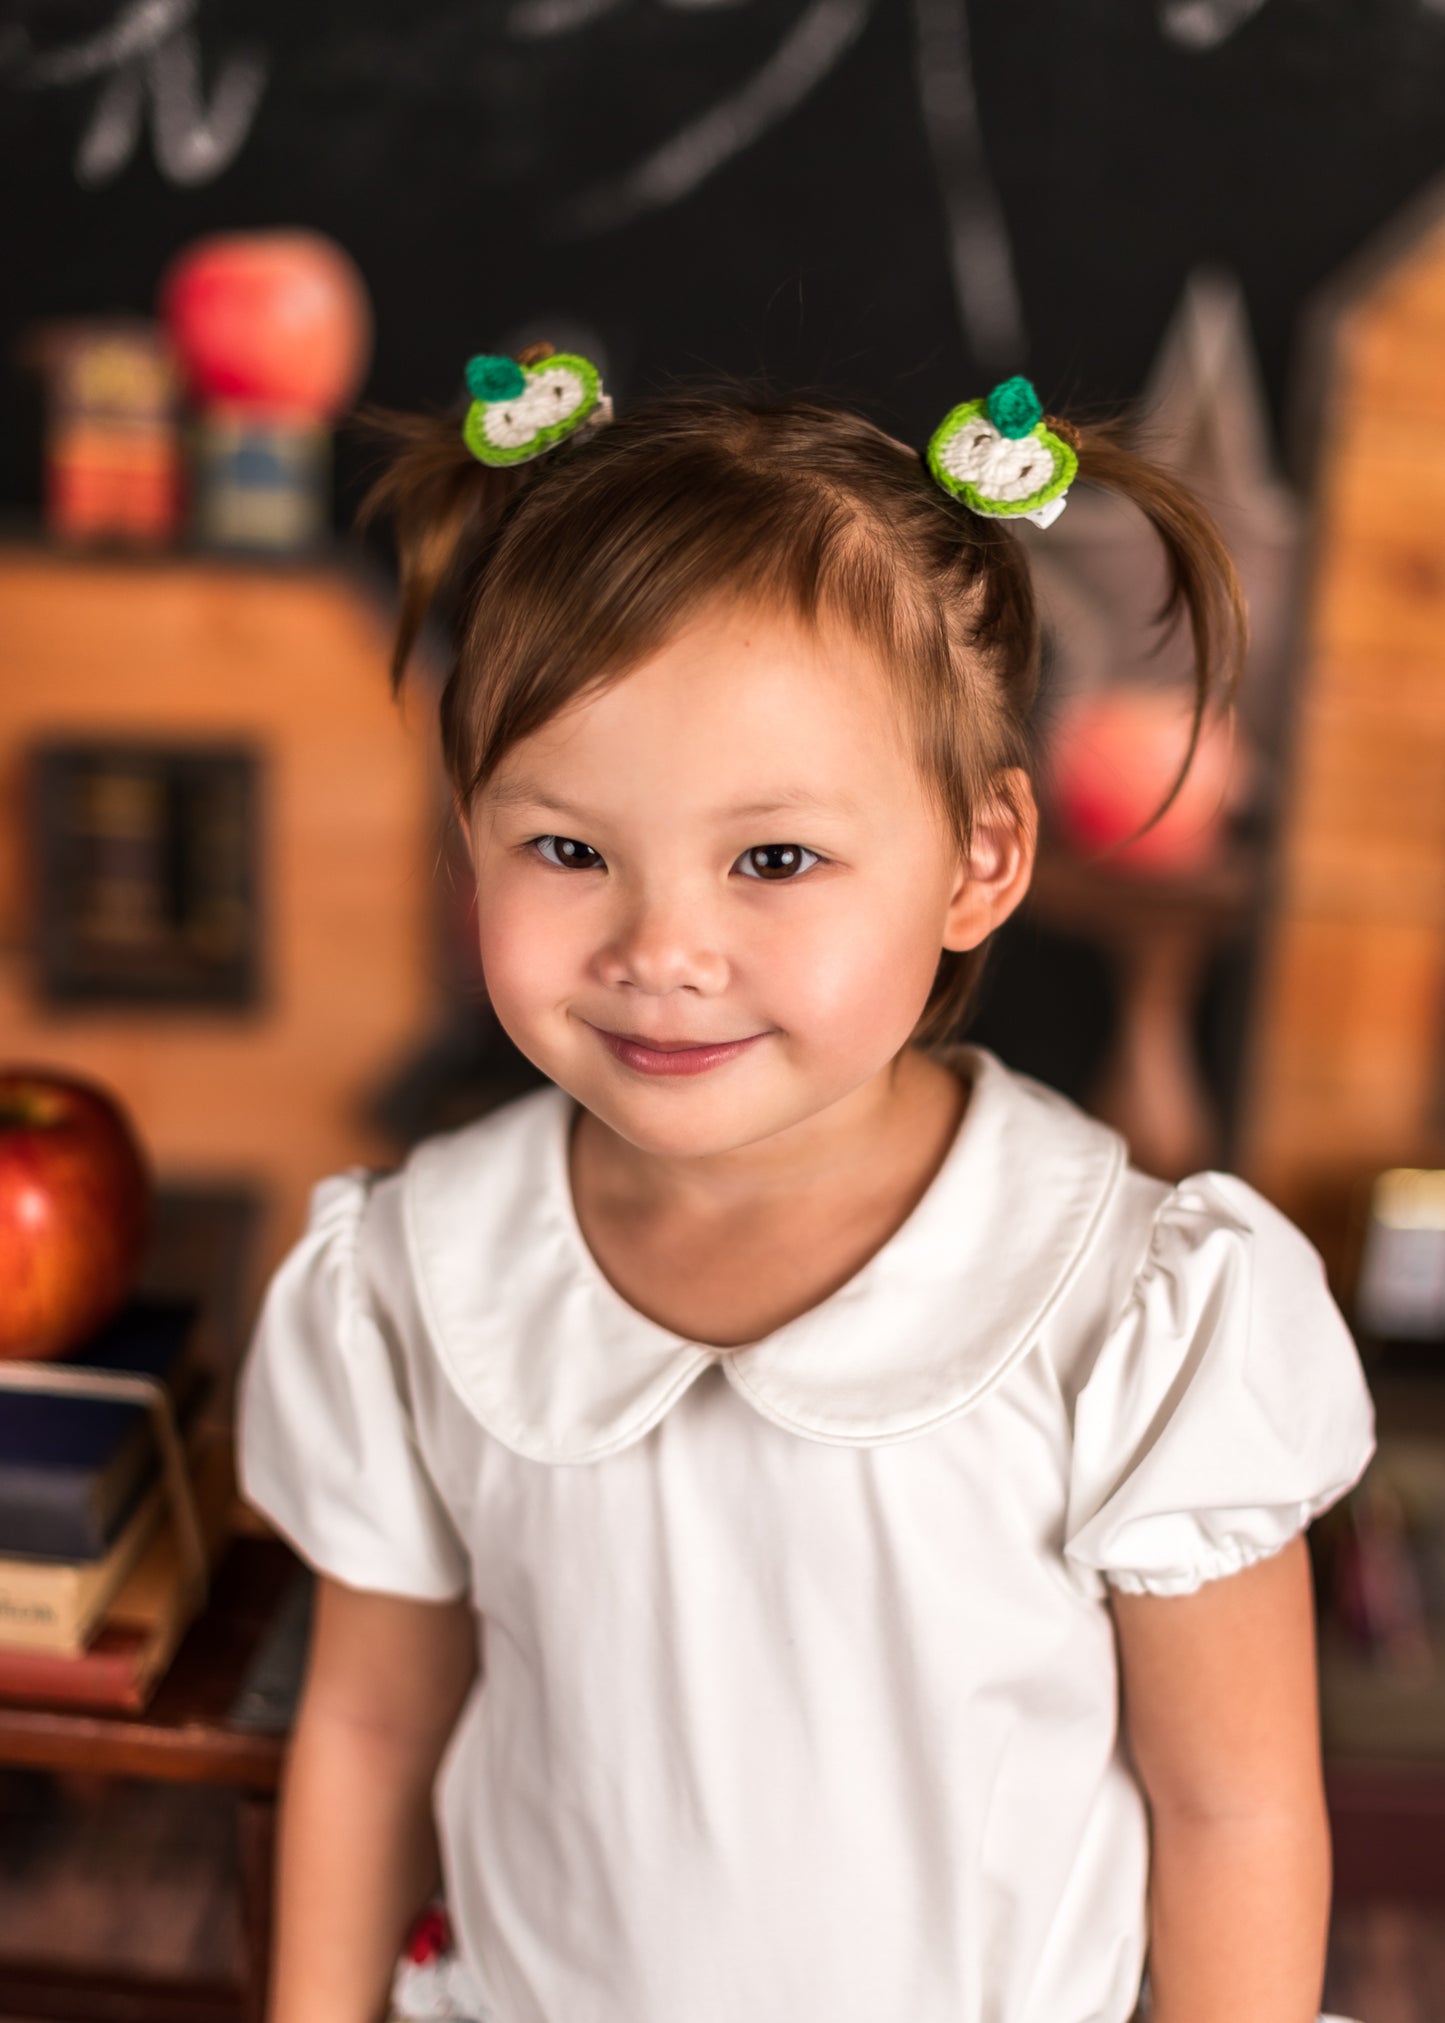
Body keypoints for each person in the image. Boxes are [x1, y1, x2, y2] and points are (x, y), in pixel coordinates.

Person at [237, 354, 1376, 2023]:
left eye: (772, 859)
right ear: (465, 833)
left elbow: (1235, 1808)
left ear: (981, 859)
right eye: (566, 850)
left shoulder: (1129, 1311)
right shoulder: (418, 1271)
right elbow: (370, 1726)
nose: (659, 952)